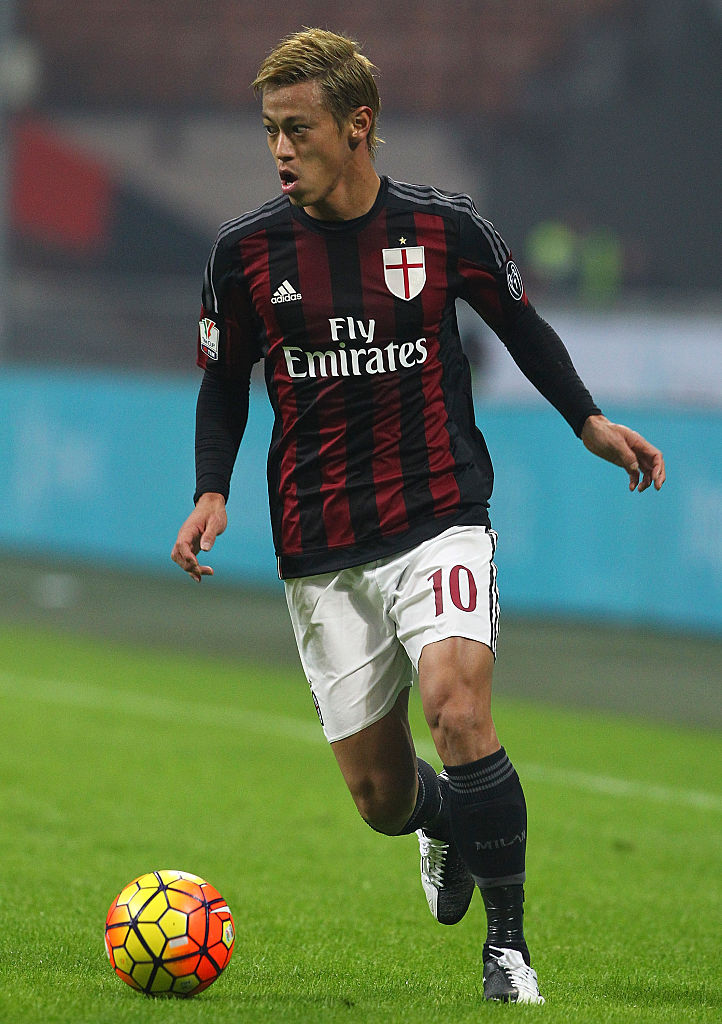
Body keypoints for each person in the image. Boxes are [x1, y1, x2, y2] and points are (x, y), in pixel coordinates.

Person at [171, 28, 665, 1006]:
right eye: (270, 131)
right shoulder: (243, 252)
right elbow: (224, 380)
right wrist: (210, 489)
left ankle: (508, 951)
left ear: (358, 125)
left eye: (298, 129)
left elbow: (520, 326)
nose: (280, 150)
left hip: (440, 511)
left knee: (457, 708)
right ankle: (442, 823)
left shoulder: (445, 229)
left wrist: (588, 421)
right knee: (379, 798)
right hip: (320, 541)